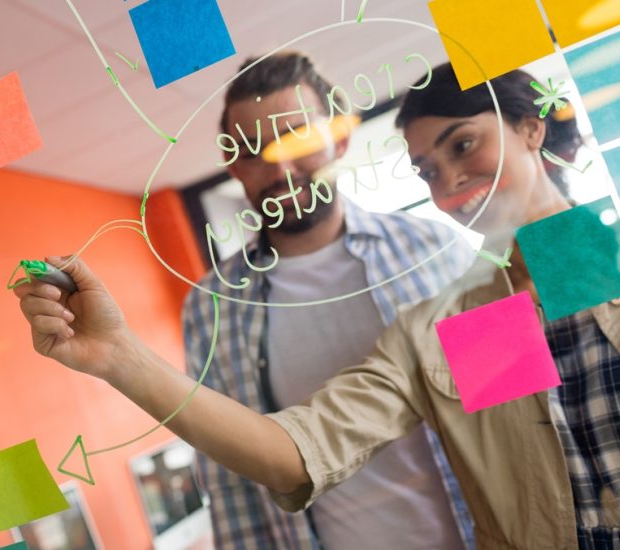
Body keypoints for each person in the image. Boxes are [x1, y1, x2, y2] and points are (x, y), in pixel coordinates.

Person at [14, 63, 620, 548]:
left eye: (464, 144)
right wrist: (119, 359)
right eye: (426, 171)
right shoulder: (460, 328)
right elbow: (297, 453)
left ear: (528, 128)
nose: (449, 183)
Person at [182, 52, 475, 549]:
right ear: (233, 165)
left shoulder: (435, 249)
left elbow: (509, 407)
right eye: (253, 150)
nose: (280, 167)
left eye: (297, 138)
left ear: (339, 136)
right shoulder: (212, 305)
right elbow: (228, 477)